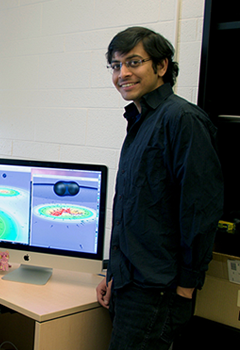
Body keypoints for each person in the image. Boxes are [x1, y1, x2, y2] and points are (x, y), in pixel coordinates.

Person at [96, 27, 223, 349]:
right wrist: (114, 274)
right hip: (131, 282)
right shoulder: (141, 120)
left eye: (134, 62)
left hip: (158, 290)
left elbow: (200, 210)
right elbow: (135, 210)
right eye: (115, 65)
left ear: (162, 66)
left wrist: (186, 287)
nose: (122, 73)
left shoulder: (182, 120)